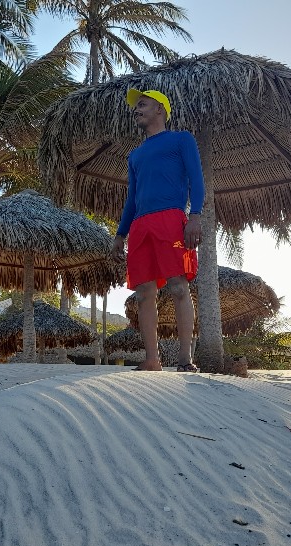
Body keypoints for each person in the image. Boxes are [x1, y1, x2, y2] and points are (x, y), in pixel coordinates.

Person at [111, 88, 205, 372]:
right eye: (136, 106)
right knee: (143, 293)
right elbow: (132, 198)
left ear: (160, 109)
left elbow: (196, 179)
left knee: (178, 287)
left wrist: (195, 216)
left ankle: (185, 358)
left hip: (171, 219)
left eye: (142, 104)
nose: (136, 109)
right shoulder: (135, 155)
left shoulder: (181, 139)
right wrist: (120, 234)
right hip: (140, 225)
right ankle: (152, 359)